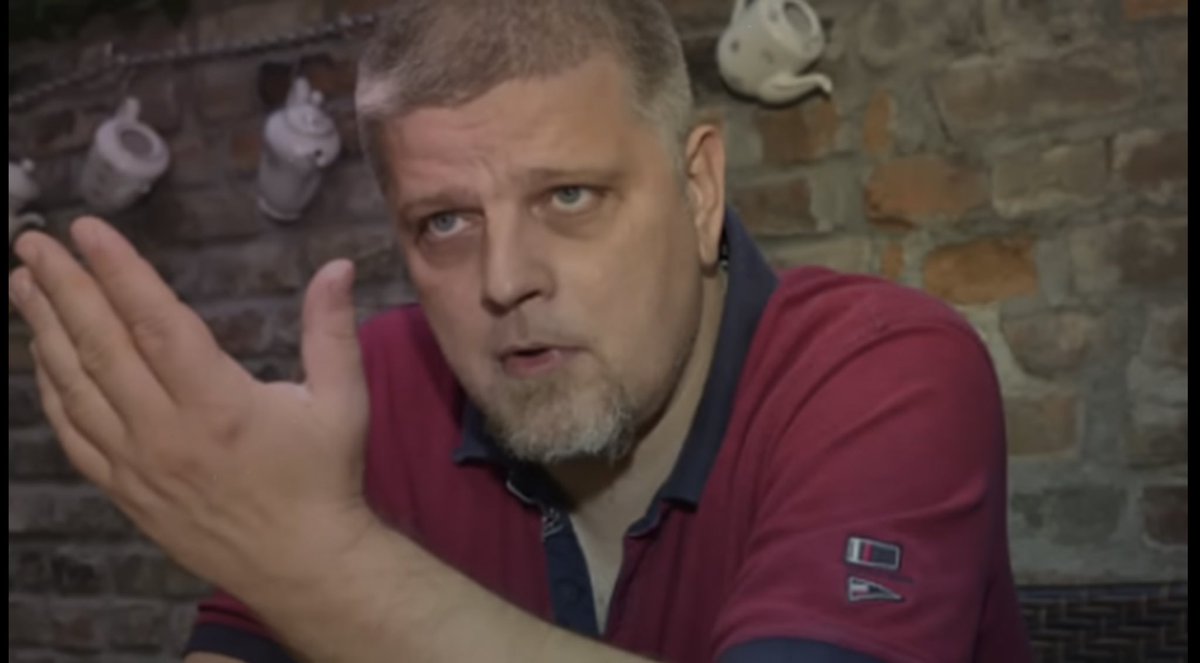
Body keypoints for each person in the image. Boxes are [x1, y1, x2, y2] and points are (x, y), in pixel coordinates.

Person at [7, 1, 1033, 661]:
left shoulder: (885, 371)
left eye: (570, 195)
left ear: (698, 187)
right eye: (444, 223)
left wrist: (313, 559)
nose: (503, 282)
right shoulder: (378, 389)